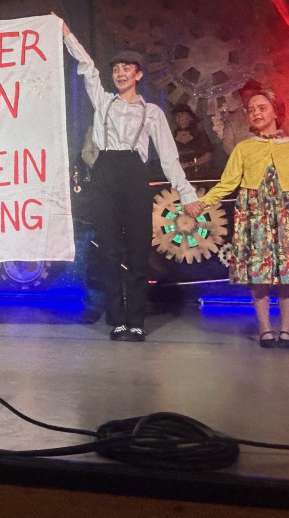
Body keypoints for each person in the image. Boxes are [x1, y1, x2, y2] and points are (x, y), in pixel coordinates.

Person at [62, 19, 200, 342]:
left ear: (138, 75)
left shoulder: (152, 112)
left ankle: (136, 320)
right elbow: (87, 66)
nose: (120, 74)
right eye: (116, 70)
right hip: (105, 173)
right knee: (108, 250)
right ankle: (117, 317)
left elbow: (168, 157)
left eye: (126, 69)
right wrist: (68, 34)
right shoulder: (104, 100)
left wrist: (187, 193)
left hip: (135, 176)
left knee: (138, 250)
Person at [187, 89, 289, 348]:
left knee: (288, 274)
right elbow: (228, 183)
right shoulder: (244, 148)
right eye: (251, 109)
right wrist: (203, 202)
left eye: (262, 107)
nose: (256, 113)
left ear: (276, 112)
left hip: (287, 217)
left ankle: (287, 330)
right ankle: (265, 329)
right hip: (255, 216)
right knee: (259, 274)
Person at [171, 103, 216, 179]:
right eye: (177, 116)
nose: (180, 118)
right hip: (179, 174)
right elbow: (167, 156)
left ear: (190, 118)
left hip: (200, 174)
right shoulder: (171, 137)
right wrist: (178, 165)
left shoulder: (200, 135)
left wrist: (197, 163)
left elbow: (208, 153)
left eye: (183, 115)